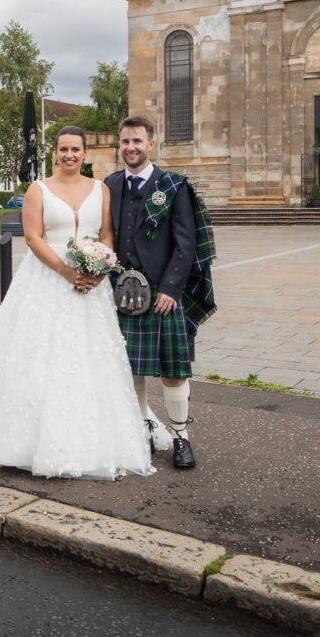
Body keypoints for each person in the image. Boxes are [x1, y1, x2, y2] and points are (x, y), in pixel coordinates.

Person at [0, 126, 169, 479]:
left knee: (88, 357)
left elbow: (107, 234)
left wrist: (101, 266)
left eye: (76, 149)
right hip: (46, 282)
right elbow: (34, 239)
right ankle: (24, 442)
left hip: (92, 286)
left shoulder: (101, 190)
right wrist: (66, 272)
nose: (70, 155)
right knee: (39, 355)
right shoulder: (38, 190)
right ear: (54, 153)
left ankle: (93, 440)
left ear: (85, 154)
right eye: (63, 149)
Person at [104, 115, 212, 470]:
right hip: (121, 293)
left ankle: (181, 437)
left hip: (162, 297)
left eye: (137, 141)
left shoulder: (174, 186)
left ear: (151, 144)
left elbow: (186, 244)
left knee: (173, 371)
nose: (131, 148)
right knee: (128, 369)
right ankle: (142, 428)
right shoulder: (110, 185)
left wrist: (170, 289)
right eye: (125, 142)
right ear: (119, 145)